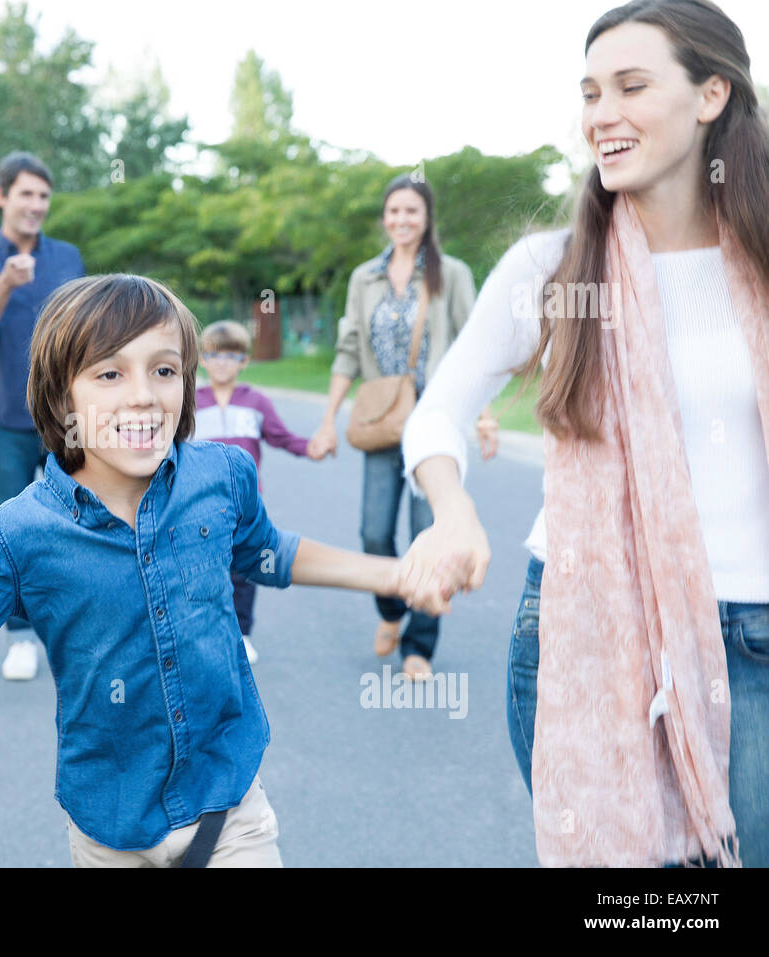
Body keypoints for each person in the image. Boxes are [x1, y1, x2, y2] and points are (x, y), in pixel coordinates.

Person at [0, 274, 471, 868]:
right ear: (63, 396)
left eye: (164, 370)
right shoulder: (18, 535)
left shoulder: (220, 474)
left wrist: (395, 572)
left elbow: (267, 552)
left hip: (231, 812)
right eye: (109, 373)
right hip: (107, 834)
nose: (143, 395)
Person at [399, 0, 769, 867]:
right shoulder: (551, 270)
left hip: (755, 635)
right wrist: (452, 512)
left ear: (712, 94)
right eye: (591, 92)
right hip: (586, 630)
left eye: (631, 87)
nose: (602, 114)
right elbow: (438, 412)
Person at [308, 175, 494, 682]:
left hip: (435, 425)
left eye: (411, 211)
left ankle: (419, 646)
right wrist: (328, 420)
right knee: (373, 532)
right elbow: (348, 349)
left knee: (427, 532)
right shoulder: (363, 278)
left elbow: (478, 347)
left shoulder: (450, 274)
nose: (401, 220)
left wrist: (485, 415)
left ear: (427, 217)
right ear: (384, 218)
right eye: (393, 212)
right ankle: (392, 609)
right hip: (380, 421)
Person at [0, 151, 85, 682]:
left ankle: (76, 631)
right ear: (1, 196)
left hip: (66, 418)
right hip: (4, 415)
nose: (36, 205)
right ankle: (21, 637)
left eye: (44, 197)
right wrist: (4, 282)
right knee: (14, 529)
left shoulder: (68, 257)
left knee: (77, 524)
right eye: (26, 194)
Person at [195, 319, 323, 664]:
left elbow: (281, 436)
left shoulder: (256, 401)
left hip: (243, 502)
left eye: (231, 355)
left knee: (242, 569)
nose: (222, 362)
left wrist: (312, 447)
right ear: (203, 360)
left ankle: (241, 633)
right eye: (214, 354)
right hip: (197, 501)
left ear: (243, 362)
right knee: (203, 568)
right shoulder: (189, 402)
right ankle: (202, 635)